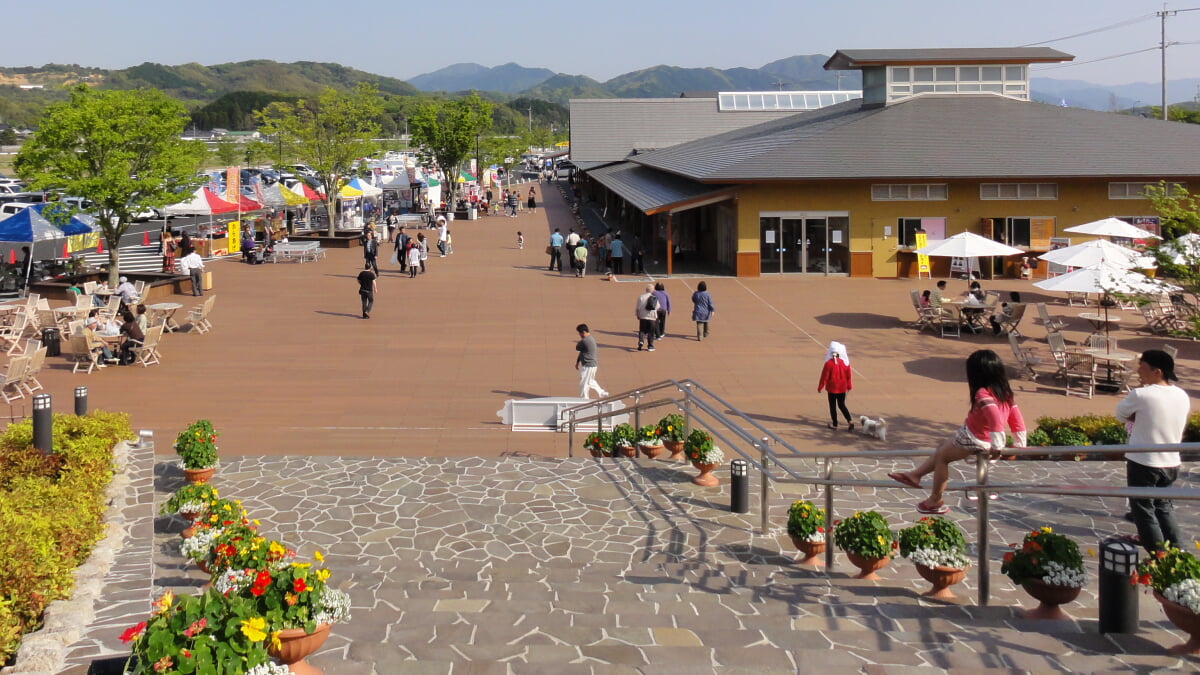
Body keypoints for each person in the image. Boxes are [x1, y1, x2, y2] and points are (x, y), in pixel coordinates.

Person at [888, 349, 1026, 514]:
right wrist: (1020, 445)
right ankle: (915, 475)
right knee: (942, 448)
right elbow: (1016, 419)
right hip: (977, 435)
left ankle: (935, 500)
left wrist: (998, 445)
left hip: (975, 437)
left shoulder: (983, 393)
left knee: (942, 459)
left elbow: (995, 419)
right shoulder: (1005, 393)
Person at [1116, 349, 1189, 553]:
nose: (1139, 370)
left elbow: (1121, 415)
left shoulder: (1141, 394)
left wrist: (1137, 418)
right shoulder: (1181, 394)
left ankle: (1158, 555)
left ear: (1157, 371)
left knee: (1143, 510)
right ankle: (1177, 549)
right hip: (1171, 461)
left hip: (1144, 461)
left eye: (1143, 366)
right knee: (1163, 506)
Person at [817, 341, 853, 430]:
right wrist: (849, 385)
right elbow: (848, 375)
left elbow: (824, 376)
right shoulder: (844, 363)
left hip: (832, 388)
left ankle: (835, 424)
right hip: (842, 387)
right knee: (842, 405)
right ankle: (850, 420)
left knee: (832, 406)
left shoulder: (828, 363)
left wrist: (820, 386)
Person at [575, 323, 608, 399]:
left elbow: (577, 347)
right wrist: (577, 362)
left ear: (583, 332)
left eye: (579, 333)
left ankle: (584, 400)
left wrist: (581, 340)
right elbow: (581, 352)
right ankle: (602, 393)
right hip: (591, 365)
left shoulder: (585, 340)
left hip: (588, 366)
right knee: (590, 381)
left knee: (584, 384)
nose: (579, 335)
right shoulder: (590, 338)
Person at [635, 283, 659, 351]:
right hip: (652, 317)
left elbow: (637, 307)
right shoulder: (654, 297)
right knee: (651, 332)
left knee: (642, 330)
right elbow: (657, 307)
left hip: (643, 316)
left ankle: (641, 340)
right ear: (652, 290)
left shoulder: (641, 297)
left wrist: (637, 315)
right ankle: (650, 346)